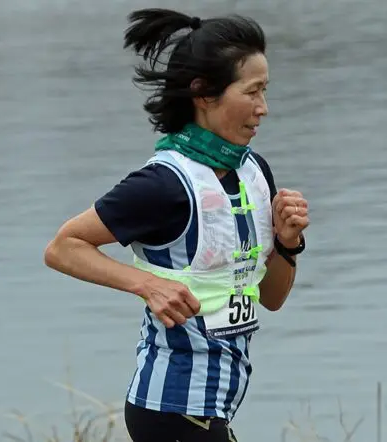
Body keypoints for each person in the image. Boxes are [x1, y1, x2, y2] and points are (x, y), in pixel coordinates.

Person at [43, 7, 309, 442]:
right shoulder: (163, 184)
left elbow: (271, 298)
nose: (263, 108)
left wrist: (287, 243)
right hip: (171, 409)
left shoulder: (254, 173)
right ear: (203, 93)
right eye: (252, 92)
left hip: (215, 407)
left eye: (265, 91)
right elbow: (62, 247)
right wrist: (147, 285)